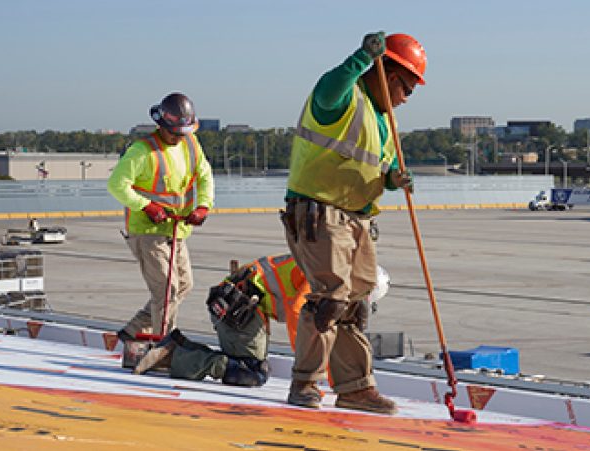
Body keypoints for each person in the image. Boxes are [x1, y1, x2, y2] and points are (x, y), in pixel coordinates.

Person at [281, 31, 425, 414]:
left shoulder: (384, 121)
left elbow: (380, 167)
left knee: (357, 304)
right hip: (319, 212)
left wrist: (393, 179)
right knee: (331, 298)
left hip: (358, 219)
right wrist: (361, 57)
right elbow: (328, 88)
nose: (406, 98)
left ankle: (355, 387)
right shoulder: (343, 100)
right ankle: (305, 382)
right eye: (406, 87)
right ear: (386, 74)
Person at [132, 254, 390, 386]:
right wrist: (307, 365)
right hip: (236, 305)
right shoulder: (324, 276)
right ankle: (172, 355)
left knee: (256, 370)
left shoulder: (335, 270)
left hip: (246, 308)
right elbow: (300, 316)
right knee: (248, 374)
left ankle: (177, 348)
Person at [108, 92, 214, 354]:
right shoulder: (142, 151)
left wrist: (203, 206)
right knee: (166, 292)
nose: (179, 137)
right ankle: (164, 347)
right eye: (175, 132)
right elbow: (116, 185)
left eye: (183, 132)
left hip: (177, 228)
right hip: (147, 232)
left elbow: (204, 176)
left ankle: (134, 330)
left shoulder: (191, 144)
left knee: (183, 286)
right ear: (161, 125)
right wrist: (147, 206)